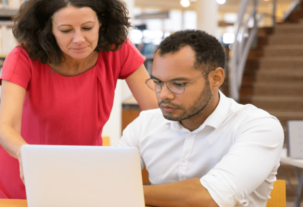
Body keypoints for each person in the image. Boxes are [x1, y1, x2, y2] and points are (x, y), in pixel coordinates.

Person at [0, 0, 158, 199]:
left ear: (102, 23)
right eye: (66, 30)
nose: (79, 39)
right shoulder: (23, 57)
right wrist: (26, 155)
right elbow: (6, 127)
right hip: (27, 170)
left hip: (84, 169)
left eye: (88, 28)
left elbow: (155, 110)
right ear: (48, 30)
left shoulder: (117, 49)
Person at [118, 30, 284, 207]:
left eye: (178, 84)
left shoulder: (257, 126)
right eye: (158, 83)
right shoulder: (145, 124)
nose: (163, 95)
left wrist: (128, 192)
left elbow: (209, 198)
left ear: (216, 78)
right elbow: (107, 180)